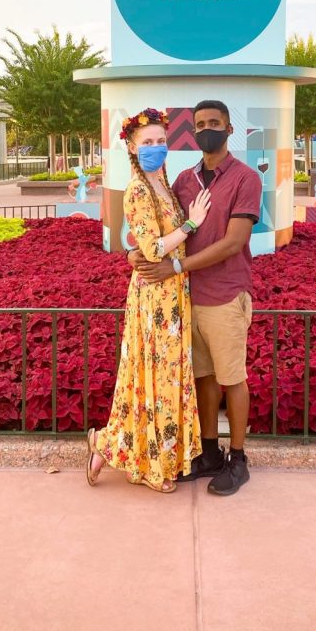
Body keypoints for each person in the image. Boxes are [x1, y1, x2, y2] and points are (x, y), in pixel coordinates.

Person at [133, 100, 262, 497]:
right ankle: (209, 453)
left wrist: (175, 268)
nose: (208, 129)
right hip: (188, 300)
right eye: (201, 124)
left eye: (215, 123)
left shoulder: (245, 179)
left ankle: (237, 458)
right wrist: (133, 250)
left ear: (228, 130)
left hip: (224, 295)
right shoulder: (185, 180)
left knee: (231, 379)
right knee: (204, 379)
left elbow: (234, 242)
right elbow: (156, 227)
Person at [86, 107, 210, 493]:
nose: (156, 148)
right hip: (154, 295)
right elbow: (153, 249)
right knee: (153, 376)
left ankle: (112, 444)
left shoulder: (164, 185)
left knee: (166, 375)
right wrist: (192, 223)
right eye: (148, 143)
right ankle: (144, 461)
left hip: (174, 293)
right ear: (133, 148)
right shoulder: (139, 190)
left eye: (160, 141)